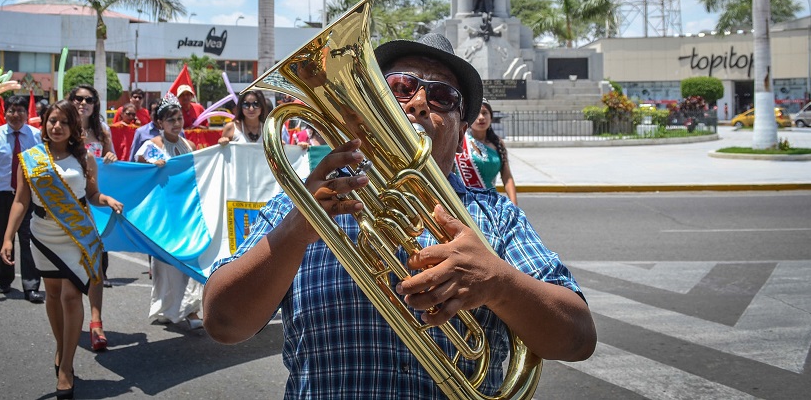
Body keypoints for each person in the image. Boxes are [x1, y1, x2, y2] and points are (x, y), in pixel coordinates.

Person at [203, 33, 596, 397]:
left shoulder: (497, 216)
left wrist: (498, 284)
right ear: (371, 109)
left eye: (443, 97)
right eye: (399, 88)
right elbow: (223, 323)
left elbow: (578, 339)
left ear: (460, 134)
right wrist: (295, 229)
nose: (419, 102)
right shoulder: (299, 203)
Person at [0, 99, 123, 400]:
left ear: (73, 128)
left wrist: (105, 199)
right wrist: (7, 237)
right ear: (44, 124)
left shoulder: (85, 160)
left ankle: (66, 366)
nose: (56, 127)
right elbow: (20, 200)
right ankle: (61, 346)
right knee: (52, 295)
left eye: (63, 122)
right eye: (51, 121)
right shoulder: (30, 158)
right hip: (42, 235)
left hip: (76, 235)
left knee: (71, 295)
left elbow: (91, 194)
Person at [135, 95, 203, 329]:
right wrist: (150, 166)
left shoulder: (190, 146)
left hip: (186, 213)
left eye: (179, 118)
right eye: (170, 119)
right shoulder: (152, 146)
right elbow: (139, 172)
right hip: (162, 216)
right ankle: (166, 307)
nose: (176, 123)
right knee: (165, 267)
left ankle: (191, 309)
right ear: (160, 123)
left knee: (190, 259)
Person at [0, 94, 45, 302]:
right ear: (5, 114)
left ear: (27, 113)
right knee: (3, 238)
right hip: (2, 196)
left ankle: (31, 286)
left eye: (20, 110)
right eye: (12, 111)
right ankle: (4, 281)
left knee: (29, 240)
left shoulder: (37, 136)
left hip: (29, 197)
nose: (16, 115)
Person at [68, 84, 116, 352]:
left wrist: (110, 155)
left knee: (95, 266)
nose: (83, 103)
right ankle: (70, 319)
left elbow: (112, 163)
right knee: (70, 269)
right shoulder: (60, 125)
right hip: (65, 208)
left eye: (89, 99)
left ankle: (96, 322)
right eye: (78, 98)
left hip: (94, 204)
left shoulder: (102, 131)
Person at [458, 98, 517, 203]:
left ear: (491, 116)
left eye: (485, 113)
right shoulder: (460, 141)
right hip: (464, 203)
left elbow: (507, 177)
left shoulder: (498, 143)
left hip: (490, 203)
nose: (481, 118)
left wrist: (514, 204)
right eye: (477, 114)